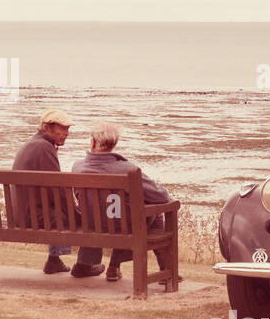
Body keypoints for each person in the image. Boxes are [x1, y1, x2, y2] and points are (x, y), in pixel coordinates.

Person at [70, 121, 170, 281]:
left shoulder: (77, 167)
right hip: (124, 228)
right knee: (151, 212)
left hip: (93, 226)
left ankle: (86, 264)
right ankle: (165, 269)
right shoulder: (127, 169)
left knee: (114, 214)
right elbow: (161, 197)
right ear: (114, 144)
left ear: (93, 142)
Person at [11, 108, 77, 274]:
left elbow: (51, 189)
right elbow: (58, 189)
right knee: (76, 217)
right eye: (62, 129)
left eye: (68, 129)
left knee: (62, 213)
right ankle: (85, 264)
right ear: (47, 128)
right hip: (31, 217)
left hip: (20, 213)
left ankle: (55, 261)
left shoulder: (34, 144)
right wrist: (77, 212)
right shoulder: (44, 148)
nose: (66, 133)